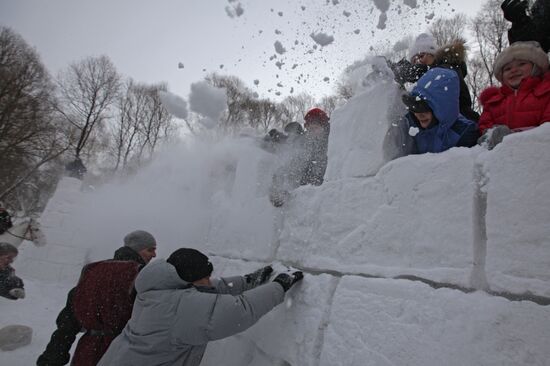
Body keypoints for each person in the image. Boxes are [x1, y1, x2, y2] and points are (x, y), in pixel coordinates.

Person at [97, 248, 303, 366]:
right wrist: (280, 285)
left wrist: (248, 280)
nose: (209, 281)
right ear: (188, 280)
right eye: (205, 277)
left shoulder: (158, 290)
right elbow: (240, 310)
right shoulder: (180, 307)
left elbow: (208, 289)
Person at [36, 230, 157, 366]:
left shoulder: (91, 270)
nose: (154, 255)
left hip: (87, 352)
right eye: (150, 250)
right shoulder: (141, 275)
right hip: (121, 352)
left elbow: (67, 324)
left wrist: (51, 359)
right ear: (138, 249)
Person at [388, 33, 480, 122]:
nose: (418, 62)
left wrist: (393, 69)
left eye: (421, 56)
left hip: (462, 126)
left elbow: (422, 71)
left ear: (433, 56)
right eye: (414, 60)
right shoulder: (428, 82)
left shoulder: (446, 68)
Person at [388, 67, 478, 156]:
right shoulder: (409, 125)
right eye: (414, 108)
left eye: (425, 109)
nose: (419, 114)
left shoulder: (463, 132)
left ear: (443, 108)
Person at [478, 41, 550, 149]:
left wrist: (515, 135)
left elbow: (547, 127)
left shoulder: (546, 92)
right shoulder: (493, 102)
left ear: (536, 67)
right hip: (500, 154)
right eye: (507, 69)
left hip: (537, 151)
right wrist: (491, 134)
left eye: (522, 64)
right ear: (501, 76)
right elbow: (485, 126)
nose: (514, 70)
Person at [269, 109, 330, 207]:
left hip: (322, 190)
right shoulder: (305, 141)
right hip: (304, 189)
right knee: (288, 167)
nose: (312, 131)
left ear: (324, 127)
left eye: (315, 127)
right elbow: (290, 140)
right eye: (309, 128)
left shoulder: (331, 141)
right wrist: (275, 136)